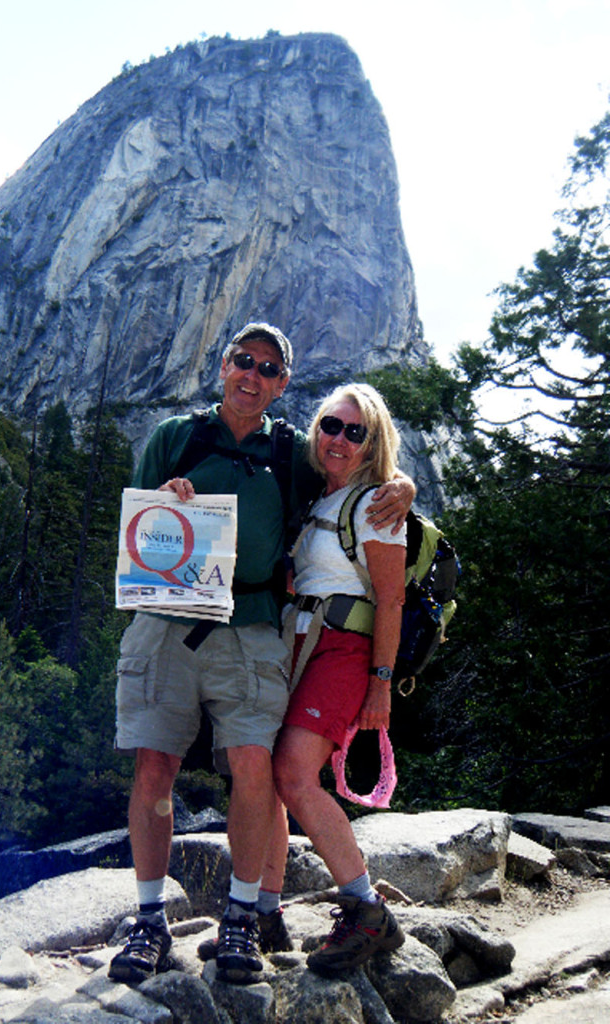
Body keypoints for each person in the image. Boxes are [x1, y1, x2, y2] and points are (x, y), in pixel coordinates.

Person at [109, 325, 413, 985]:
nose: (253, 373)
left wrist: (404, 487)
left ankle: (245, 919)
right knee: (154, 770)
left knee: (256, 768)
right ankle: (150, 921)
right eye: (243, 360)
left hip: (251, 628)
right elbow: (135, 521)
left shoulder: (289, 454)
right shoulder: (174, 437)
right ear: (222, 366)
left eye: (269, 368)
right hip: (167, 621)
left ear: (281, 385)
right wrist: (168, 503)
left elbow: (354, 476)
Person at [271, 382, 408, 975]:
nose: (340, 440)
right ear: (316, 429)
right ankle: (263, 911)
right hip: (297, 645)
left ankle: (367, 909)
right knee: (267, 774)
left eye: (357, 432)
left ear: (372, 444)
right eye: (332, 425)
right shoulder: (314, 497)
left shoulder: (377, 503)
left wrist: (381, 684)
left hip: (345, 651)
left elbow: (392, 599)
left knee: (295, 775)